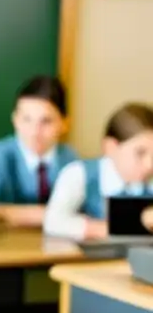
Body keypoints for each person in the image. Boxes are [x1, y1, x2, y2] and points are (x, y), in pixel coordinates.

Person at [0, 75, 78, 227]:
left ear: (64, 123)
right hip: (9, 245)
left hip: (58, 245)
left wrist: (4, 211)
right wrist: (54, 215)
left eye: (46, 121)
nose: (35, 132)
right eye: (26, 119)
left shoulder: (69, 157)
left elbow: (82, 208)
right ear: (14, 119)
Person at [44, 102, 153, 240]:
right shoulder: (78, 173)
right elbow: (53, 222)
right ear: (110, 147)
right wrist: (116, 228)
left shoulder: (149, 184)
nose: (150, 165)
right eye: (140, 153)